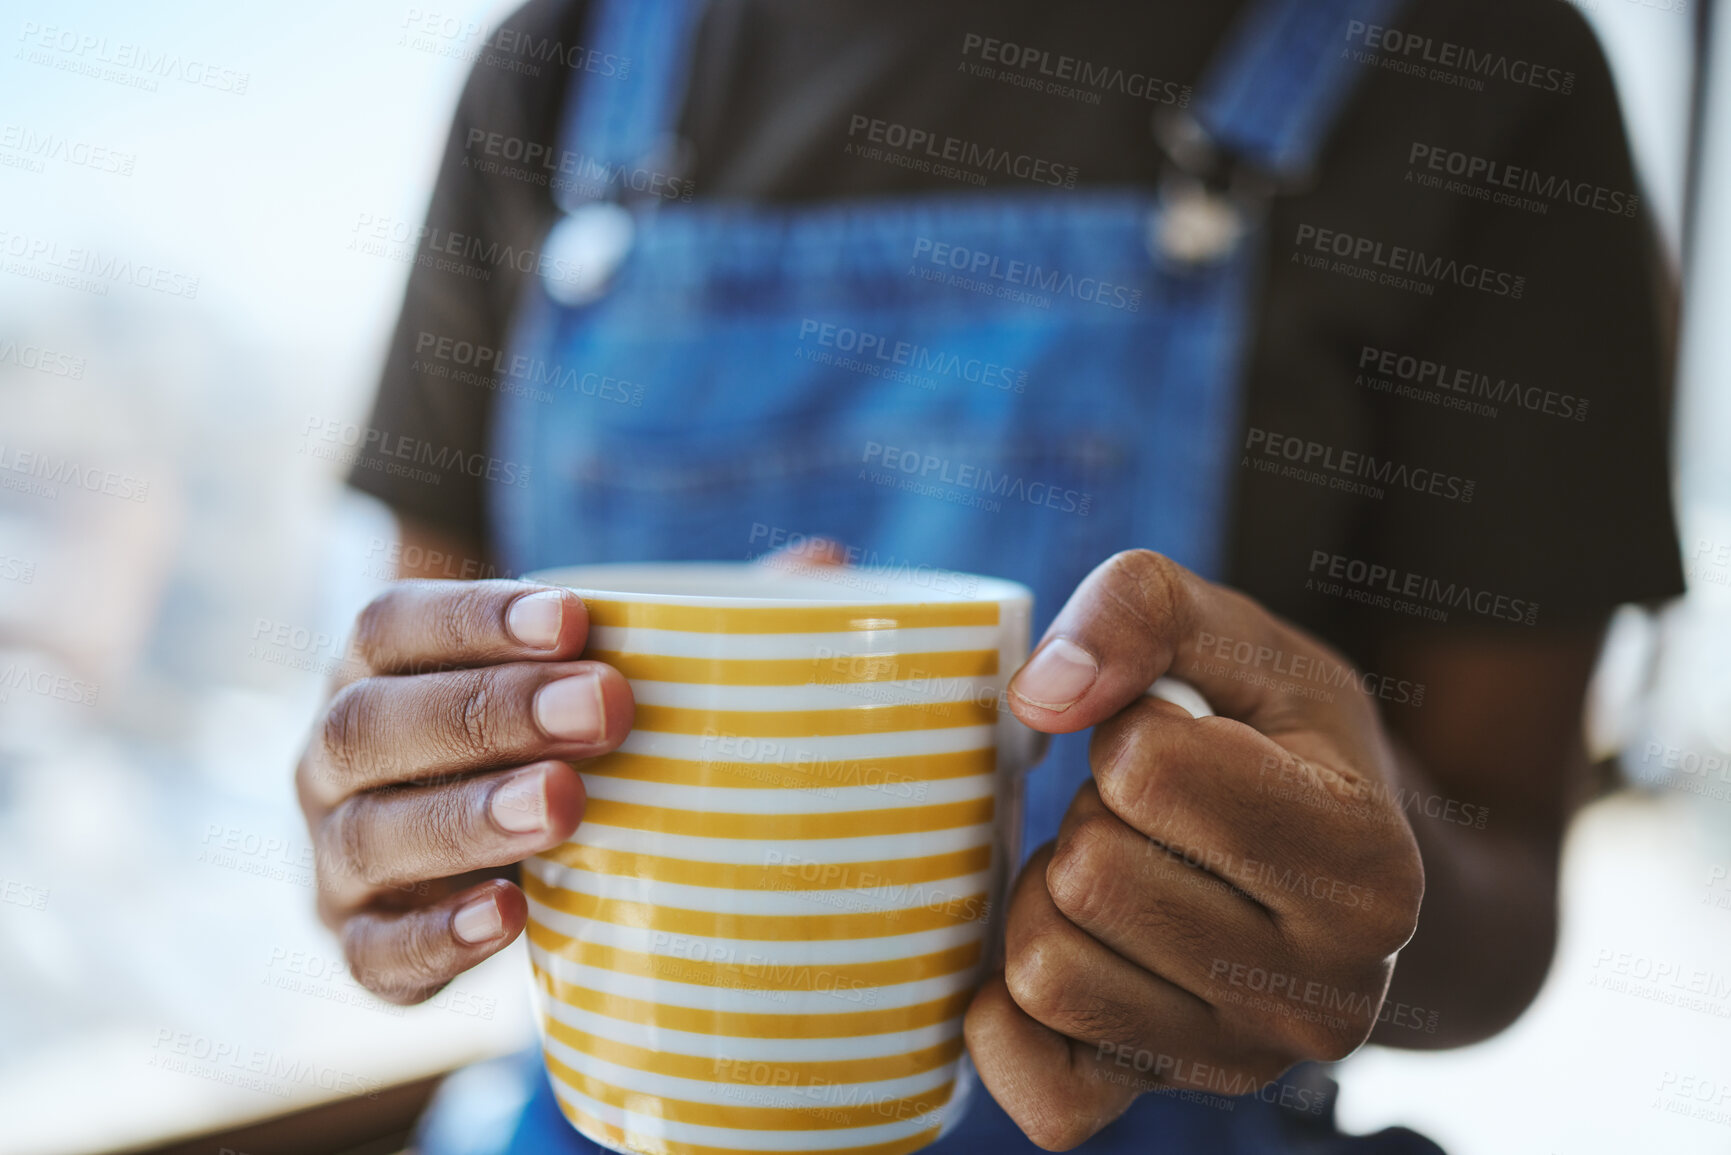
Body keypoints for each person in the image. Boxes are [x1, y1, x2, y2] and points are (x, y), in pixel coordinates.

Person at [297, 0, 1684, 1150]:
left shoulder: (1481, 62)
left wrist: (1350, 891)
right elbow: (426, 697)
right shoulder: (555, 63)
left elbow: (1497, 930)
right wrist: (395, 823)